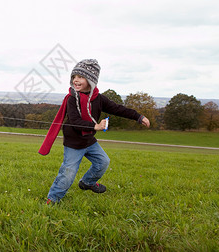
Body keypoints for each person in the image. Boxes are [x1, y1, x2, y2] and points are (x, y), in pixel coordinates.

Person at [38, 59, 150, 204]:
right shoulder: (72, 99)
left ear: (91, 80)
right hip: (74, 143)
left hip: (89, 141)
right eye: (74, 77)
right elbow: (75, 121)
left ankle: (87, 182)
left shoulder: (99, 99)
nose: (76, 80)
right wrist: (95, 126)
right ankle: (53, 198)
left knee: (103, 162)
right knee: (68, 173)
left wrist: (138, 116)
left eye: (80, 77)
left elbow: (118, 109)